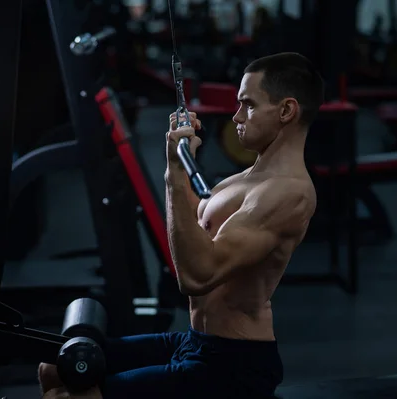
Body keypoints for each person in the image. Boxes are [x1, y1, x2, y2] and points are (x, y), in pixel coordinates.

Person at [39, 52, 324, 399]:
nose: (235, 116)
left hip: (234, 365)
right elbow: (195, 221)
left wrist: (175, 176)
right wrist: (176, 161)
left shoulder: (289, 192)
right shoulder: (249, 178)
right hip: (195, 341)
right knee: (54, 369)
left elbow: (197, 275)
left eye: (247, 105)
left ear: (286, 111)